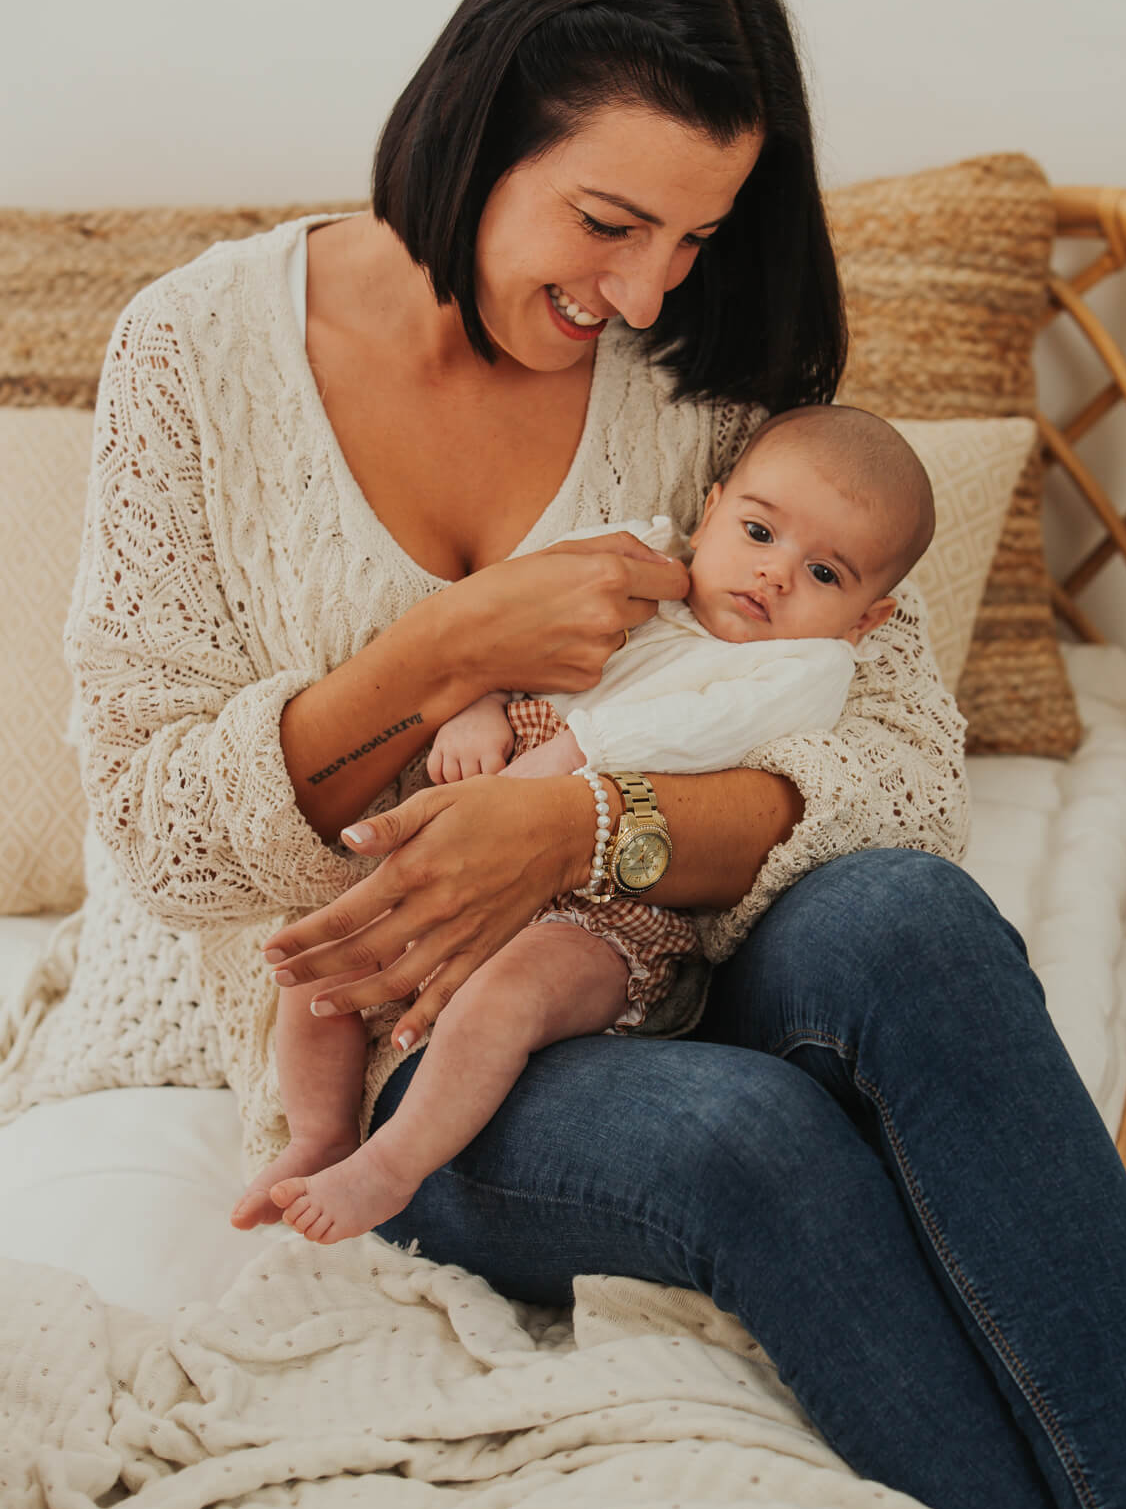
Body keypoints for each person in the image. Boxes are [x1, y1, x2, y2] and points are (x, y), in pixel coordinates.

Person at [49, 0, 1126, 1509]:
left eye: (693, 238)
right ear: (476, 127)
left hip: (680, 940)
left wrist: (580, 829)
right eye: (608, 223)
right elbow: (158, 824)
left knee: (910, 914)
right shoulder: (193, 354)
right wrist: (441, 648)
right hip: (409, 1034)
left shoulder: (702, 367)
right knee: (743, 1138)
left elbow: (892, 775)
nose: (640, 295)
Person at [235, 406, 937, 1245]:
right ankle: (319, 1135)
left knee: (505, 998)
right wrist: (476, 704)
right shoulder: (632, 565)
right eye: (757, 532)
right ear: (709, 511)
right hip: (470, 841)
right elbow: (496, 631)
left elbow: (699, 731)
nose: (775, 574)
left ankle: (392, 1166)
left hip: (610, 906)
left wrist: (563, 758)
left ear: (865, 620)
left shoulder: (805, 665)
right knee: (319, 962)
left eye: (823, 574)